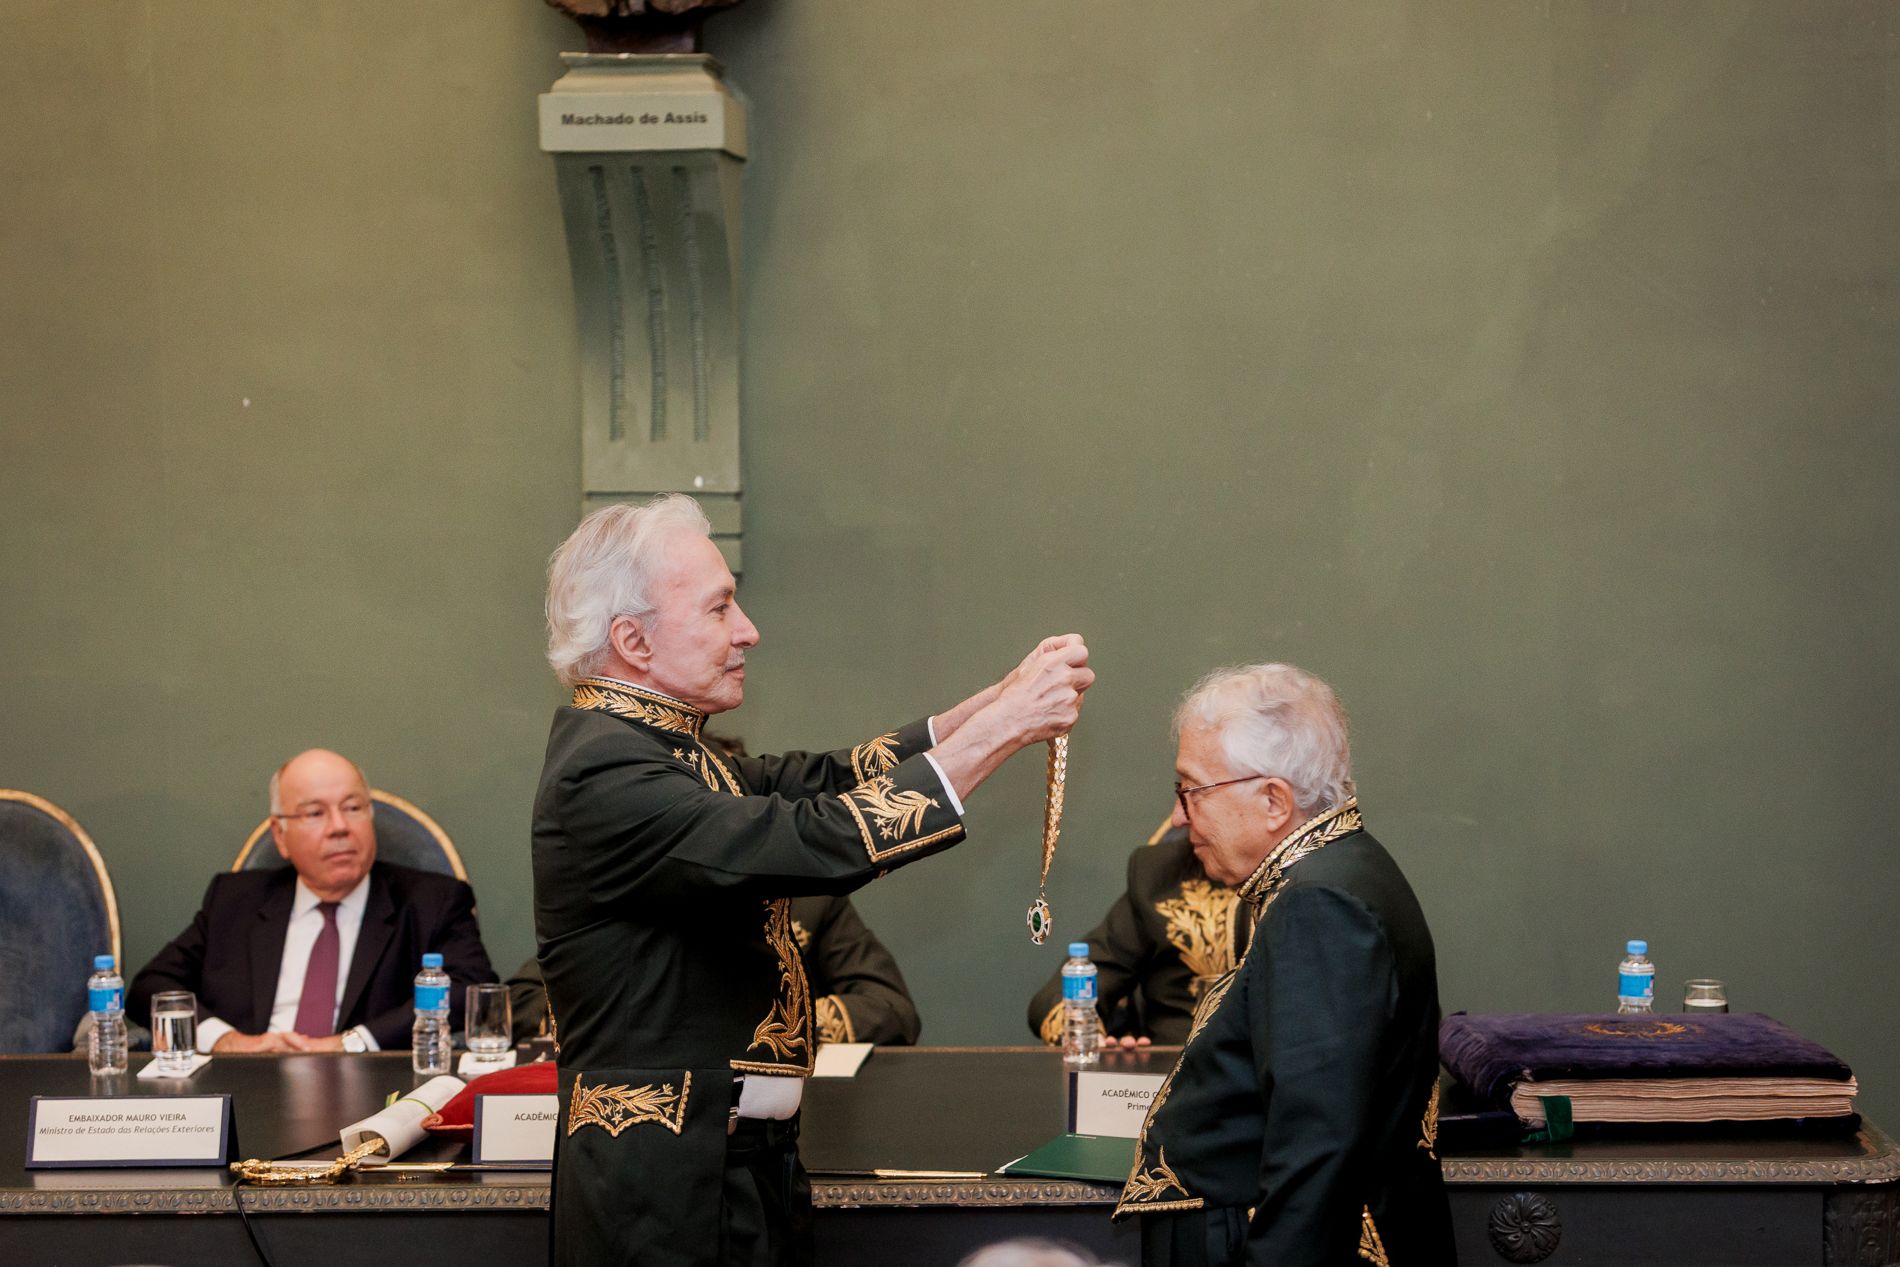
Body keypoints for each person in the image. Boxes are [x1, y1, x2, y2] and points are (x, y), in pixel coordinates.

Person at [533, 494, 1091, 1267]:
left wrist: (997, 702)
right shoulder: (605, 768)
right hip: (663, 1187)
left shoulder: (668, 747)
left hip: (736, 1165)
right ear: (633, 640)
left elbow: (819, 780)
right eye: (721, 606)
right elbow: (810, 837)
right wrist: (1007, 727)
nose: (748, 629)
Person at [1112, 664, 1452, 1266]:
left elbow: (1315, 1148)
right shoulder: (1341, 868)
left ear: (1273, 801)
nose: (1182, 816)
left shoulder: (1318, 903)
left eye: (1192, 789)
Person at [129, 749, 497, 1053]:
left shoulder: (432, 901)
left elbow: (470, 990)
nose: (339, 826)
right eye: (316, 813)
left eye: (353, 807)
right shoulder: (235, 900)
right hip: (248, 1090)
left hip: (372, 1093)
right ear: (280, 835)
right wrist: (227, 1042)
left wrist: (349, 1044)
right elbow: (151, 987)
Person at [505, 892, 922, 1045]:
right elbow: (521, 1004)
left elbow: (891, 1011)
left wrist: (765, 1025)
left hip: (784, 1118)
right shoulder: (626, 898)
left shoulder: (806, 898)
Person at [1027, 818, 1247, 1048]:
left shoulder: (1286, 887)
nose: (1177, 818)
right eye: (1180, 791)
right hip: (1166, 1073)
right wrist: (1085, 1037)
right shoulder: (1162, 873)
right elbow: (1066, 990)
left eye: (1194, 791)